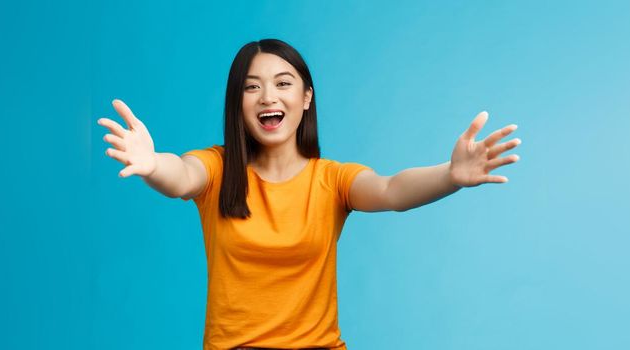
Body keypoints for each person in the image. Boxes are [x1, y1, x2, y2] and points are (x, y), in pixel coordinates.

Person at [96, 39, 521, 350]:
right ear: (237, 102)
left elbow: (391, 190)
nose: (268, 97)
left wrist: (451, 174)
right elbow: (181, 177)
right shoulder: (217, 169)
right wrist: (153, 165)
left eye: (283, 83)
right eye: (251, 87)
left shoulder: (331, 180)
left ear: (305, 98)